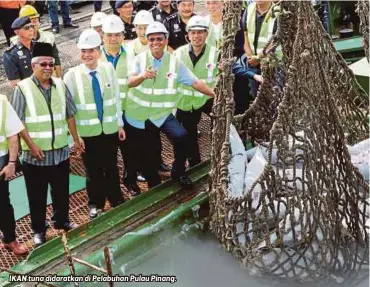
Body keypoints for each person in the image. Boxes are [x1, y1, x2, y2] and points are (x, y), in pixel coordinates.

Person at [125, 22, 215, 192]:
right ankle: (154, 184)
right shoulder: (139, 60)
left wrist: (214, 94)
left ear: (166, 40)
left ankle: (178, 171)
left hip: (162, 113)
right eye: (152, 39)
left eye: (159, 38)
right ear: (147, 41)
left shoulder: (174, 63)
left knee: (182, 137)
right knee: (150, 151)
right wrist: (143, 76)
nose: (155, 42)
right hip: (143, 115)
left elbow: (195, 82)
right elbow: (129, 82)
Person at [10, 42, 82, 247]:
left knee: (61, 191)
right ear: (33, 66)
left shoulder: (60, 85)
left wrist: (75, 140)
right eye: (43, 64)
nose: (48, 68)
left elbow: (69, 115)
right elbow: (18, 123)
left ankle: (62, 221)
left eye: (51, 64)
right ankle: (39, 231)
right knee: (36, 196)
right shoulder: (22, 89)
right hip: (35, 156)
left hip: (60, 151)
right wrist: (32, 146)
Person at [64, 29, 125, 219]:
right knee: (93, 170)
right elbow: (69, 112)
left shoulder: (107, 69)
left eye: (90, 50)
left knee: (111, 166)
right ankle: (95, 203)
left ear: (98, 51)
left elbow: (115, 98)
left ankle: (116, 199)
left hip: (108, 130)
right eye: (83, 51)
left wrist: (120, 124)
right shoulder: (71, 76)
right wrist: (74, 138)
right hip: (87, 134)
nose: (86, 55)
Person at [174, 16, 217, 167]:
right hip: (186, 102)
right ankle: (195, 164)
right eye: (193, 32)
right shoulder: (178, 54)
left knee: (221, 124)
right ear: (188, 35)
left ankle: (220, 156)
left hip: (209, 98)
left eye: (201, 32)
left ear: (207, 34)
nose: (197, 36)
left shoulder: (215, 54)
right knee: (189, 136)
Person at [0, 94, 28, 255]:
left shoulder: (2, 101)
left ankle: (10, 239)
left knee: (2, 202)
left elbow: (12, 134)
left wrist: (11, 163)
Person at [10, 5, 63, 77]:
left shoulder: (48, 37)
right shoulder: (15, 43)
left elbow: (56, 62)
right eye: (30, 22)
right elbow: (15, 73)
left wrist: (59, 81)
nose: (33, 24)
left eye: (35, 20)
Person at [243, 0, 276, 97]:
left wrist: (258, 58)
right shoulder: (249, 9)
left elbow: (275, 41)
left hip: (273, 65)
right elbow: (245, 36)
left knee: (273, 98)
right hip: (253, 64)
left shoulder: (277, 12)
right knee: (255, 97)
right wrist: (250, 57)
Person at [3, 16, 35, 88]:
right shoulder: (10, 55)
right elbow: (16, 85)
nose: (31, 30)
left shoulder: (40, 46)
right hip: (29, 91)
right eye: (27, 28)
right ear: (17, 32)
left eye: (32, 26)